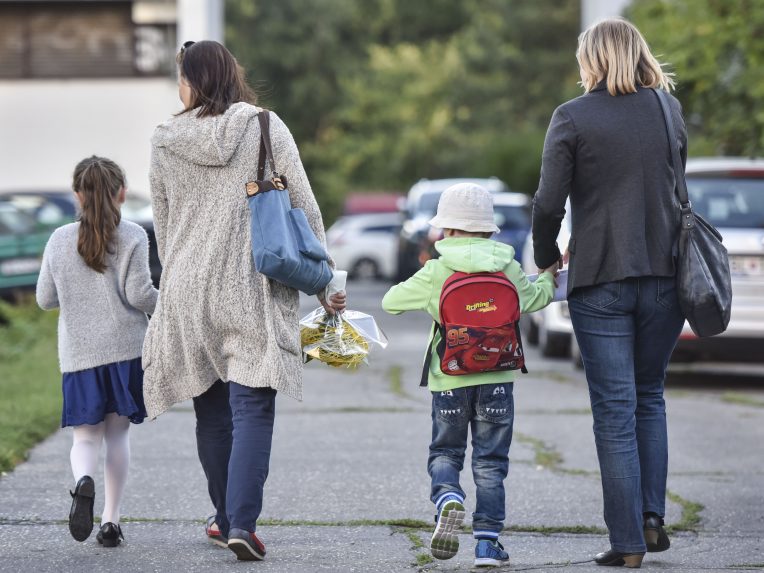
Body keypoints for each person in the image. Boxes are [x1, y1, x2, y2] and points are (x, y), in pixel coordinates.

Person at [142, 40, 345, 562]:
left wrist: (180, 274)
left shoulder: (165, 140)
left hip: (188, 288)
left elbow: (162, 226)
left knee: (211, 411)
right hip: (249, 285)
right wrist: (325, 283)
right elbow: (302, 204)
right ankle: (243, 525)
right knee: (252, 407)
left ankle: (225, 517)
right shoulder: (263, 125)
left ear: (191, 81)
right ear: (231, 75)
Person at [531, 18, 686, 569]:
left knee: (615, 410)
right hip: (668, 276)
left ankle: (627, 544)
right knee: (650, 397)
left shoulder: (572, 117)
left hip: (600, 277)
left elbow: (549, 203)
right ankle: (650, 517)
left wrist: (547, 255)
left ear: (592, 60)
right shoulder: (668, 110)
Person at [382, 183, 558, 567]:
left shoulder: (437, 270)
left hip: (448, 381)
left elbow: (390, 302)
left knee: (446, 451)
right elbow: (538, 298)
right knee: (491, 462)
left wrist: (431, 297)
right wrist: (548, 275)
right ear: (487, 228)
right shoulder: (507, 266)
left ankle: (448, 498)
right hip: (498, 380)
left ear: (447, 230)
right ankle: (487, 544)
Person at [36, 156, 158, 547]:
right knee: (118, 437)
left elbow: (44, 299)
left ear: (77, 195)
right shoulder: (135, 234)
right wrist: (167, 307)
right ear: (121, 192)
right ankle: (110, 521)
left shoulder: (58, 239)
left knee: (85, 440)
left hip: (80, 356)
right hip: (125, 353)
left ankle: (82, 482)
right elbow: (141, 294)